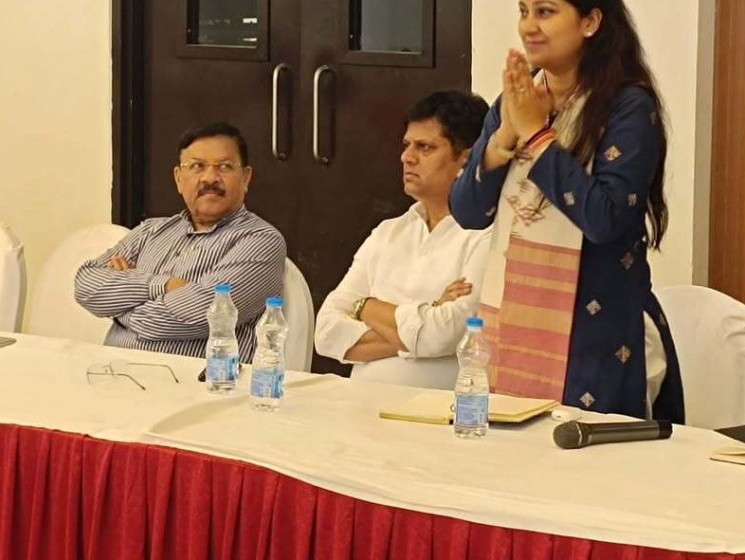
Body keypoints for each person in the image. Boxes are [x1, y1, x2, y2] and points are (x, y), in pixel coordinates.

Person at [450, 0, 684, 421]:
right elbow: (469, 212)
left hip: (598, 339)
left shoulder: (628, 108)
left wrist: (537, 137)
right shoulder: (518, 99)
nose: (528, 26)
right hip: (510, 324)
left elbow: (605, 219)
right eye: (523, 11)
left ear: (591, 21)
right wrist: (503, 139)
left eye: (545, 12)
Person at [314, 90, 492, 388]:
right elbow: (325, 333)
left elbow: (446, 336)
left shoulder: (484, 235)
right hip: (360, 404)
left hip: (441, 410)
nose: (406, 157)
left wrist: (364, 307)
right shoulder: (388, 232)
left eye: (424, 147)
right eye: (407, 145)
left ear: (466, 158)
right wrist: (429, 312)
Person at [75, 122, 285, 360]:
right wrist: (162, 286)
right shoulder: (151, 230)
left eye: (224, 167)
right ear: (178, 178)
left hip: (196, 381)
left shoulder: (261, 240)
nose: (210, 178)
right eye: (197, 166)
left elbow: (201, 314)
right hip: (111, 372)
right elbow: (85, 284)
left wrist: (118, 308)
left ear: (246, 178)